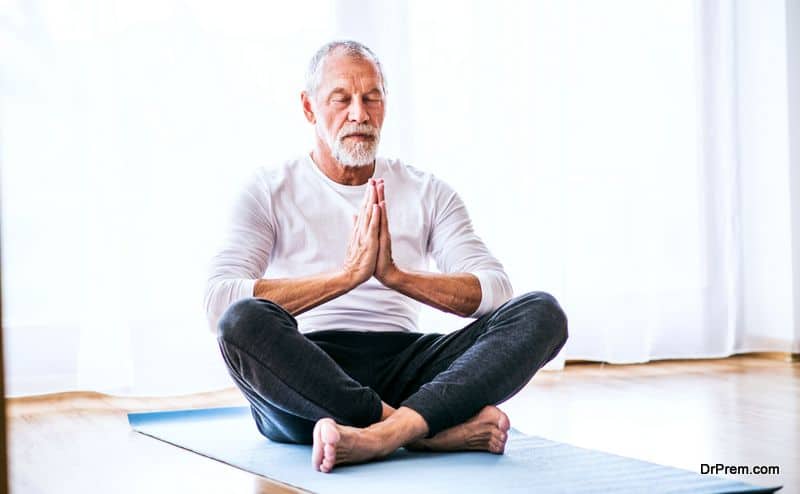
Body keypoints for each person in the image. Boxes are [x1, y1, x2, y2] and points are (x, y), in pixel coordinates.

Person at [204, 40, 568, 474]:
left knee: (542, 313)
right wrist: (346, 277)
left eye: (371, 97)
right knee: (242, 322)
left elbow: (494, 290)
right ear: (309, 108)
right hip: (307, 373)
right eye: (341, 99)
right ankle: (425, 431)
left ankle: (384, 434)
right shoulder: (268, 189)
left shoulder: (427, 191)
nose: (359, 113)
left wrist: (395, 276)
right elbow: (220, 302)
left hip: (407, 363)